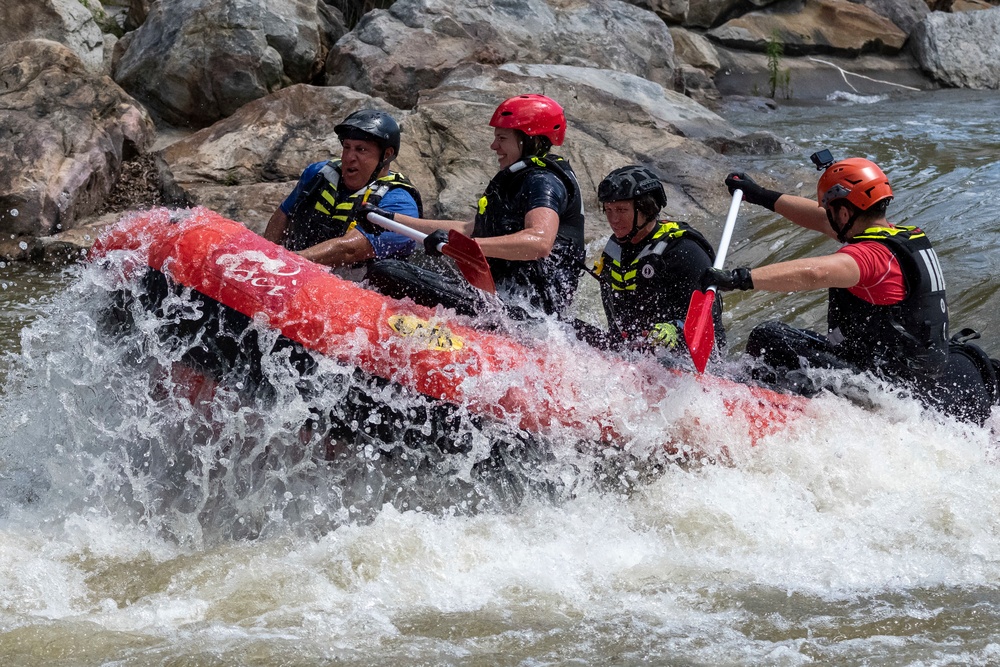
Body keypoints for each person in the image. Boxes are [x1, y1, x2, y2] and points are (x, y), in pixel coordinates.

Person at [704, 154, 999, 425]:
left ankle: (765, 408)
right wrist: (758, 195)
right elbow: (820, 220)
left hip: (888, 387)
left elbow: (815, 273)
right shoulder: (903, 238)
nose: (827, 217)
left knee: (768, 336)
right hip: (927, 374)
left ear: (844, 213)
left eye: (831, 210)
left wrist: (739, 278)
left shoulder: (872, 257)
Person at [361, 94, 585, 318]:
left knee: (387, 271)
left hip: (529, 316)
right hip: (506, 301)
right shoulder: (521, 180)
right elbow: (468, 229)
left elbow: (539, 242)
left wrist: (465, 246)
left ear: (528, 140)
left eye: (502, 138)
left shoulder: (543, 181)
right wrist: (390, 220)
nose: (494, 146)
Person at [586, 165, 724, 357]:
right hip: (632, 354)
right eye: (608, 210)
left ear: (647, 208)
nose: (613, 219)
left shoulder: (684, 250)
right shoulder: (614, 250)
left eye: (621, 209)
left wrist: (676, 329)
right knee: (567, 328)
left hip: (678, 360)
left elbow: (707, 321)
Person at [262, 109, 422, 270]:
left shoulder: (400, 204)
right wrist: (265, 255)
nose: (349, 157)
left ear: (387, 154)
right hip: (300, 269)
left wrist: (285, 263)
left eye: (361, 150)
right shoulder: (318, 174)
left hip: (357, 289)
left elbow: (349, 250)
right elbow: (284, 215)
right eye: (347, 147)